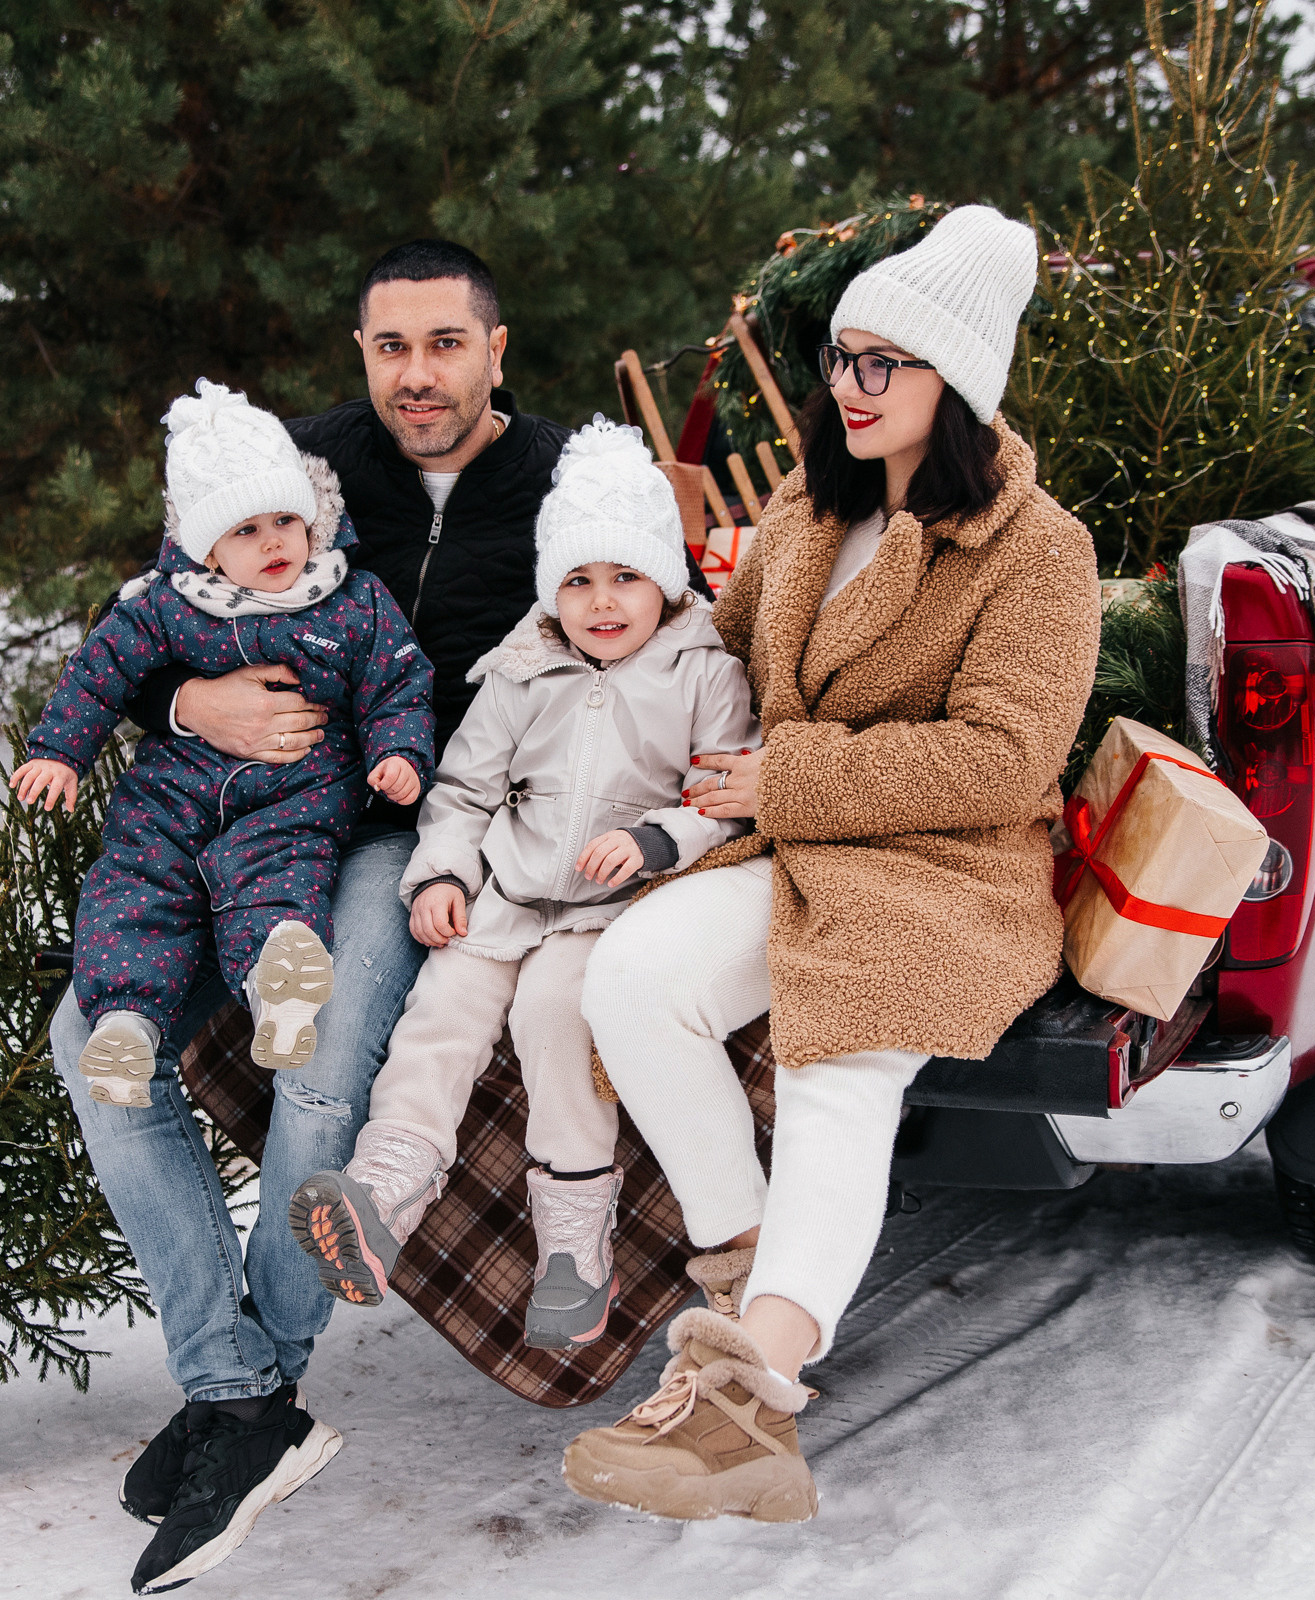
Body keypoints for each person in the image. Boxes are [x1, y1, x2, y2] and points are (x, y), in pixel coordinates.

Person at [45, 240, 708, 1593]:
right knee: (86, 1045)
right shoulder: (298, 468)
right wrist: (184, 705)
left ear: (496, 352)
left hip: (420, 831)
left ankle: (247, 1393)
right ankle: (240, 1388)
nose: (419, 374)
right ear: (362, 352)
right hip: (239, 810)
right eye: (392, 346)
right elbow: (153, 611)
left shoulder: (563, 485)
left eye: (446, 344)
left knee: (323, 1052)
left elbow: (667, 624)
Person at [560, 206, 1104, 1523]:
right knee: (630, 976)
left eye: (881, 363)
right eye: (841, 359)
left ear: (953, 382)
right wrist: (601, 654)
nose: (848, 387)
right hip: (792, 841)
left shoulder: (1041, 550)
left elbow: (1006, 762)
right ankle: (747, 1278)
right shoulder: (811, 505)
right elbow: (725, 653)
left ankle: (751, 1398)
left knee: (839, 1061)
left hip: (945, 871)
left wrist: (789, 778)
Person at [285, 420, 760, 1348]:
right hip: (508, 891)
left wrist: (659, 839)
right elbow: (464, 788)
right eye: (577, 580)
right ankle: (385, 1192)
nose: (602, 601)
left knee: (555, 1020)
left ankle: (574, 1251)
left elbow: (725, 794)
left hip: (611, 908)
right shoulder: (521, 668)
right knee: (442, 1010)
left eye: (625, 577)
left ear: (665, 581)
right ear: (550, 590)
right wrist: (442, 874)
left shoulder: (702, 669)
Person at [14, 381, 434, 1124]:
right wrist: (59, 751)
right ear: (207, 548)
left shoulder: (353, 599)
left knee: (278, 877)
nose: (274, 542)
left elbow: (398, 681)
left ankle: (279, 990)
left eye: (286, 521)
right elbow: (99, 668)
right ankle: (126, 1022)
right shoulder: (169, 603)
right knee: (138, 881)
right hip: (173, 792)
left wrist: (399, 752)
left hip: (296, 794)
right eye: (247, 530)